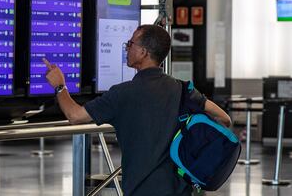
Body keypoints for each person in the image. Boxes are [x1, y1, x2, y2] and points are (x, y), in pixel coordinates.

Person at [43, 24, 231, 196]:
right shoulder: (182, 89)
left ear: (143, 52)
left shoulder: (123, 94)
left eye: (130, 43)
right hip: (181, 190)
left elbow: (74, 116)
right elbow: (224, 120)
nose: (127, 47)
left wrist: (60, 86)